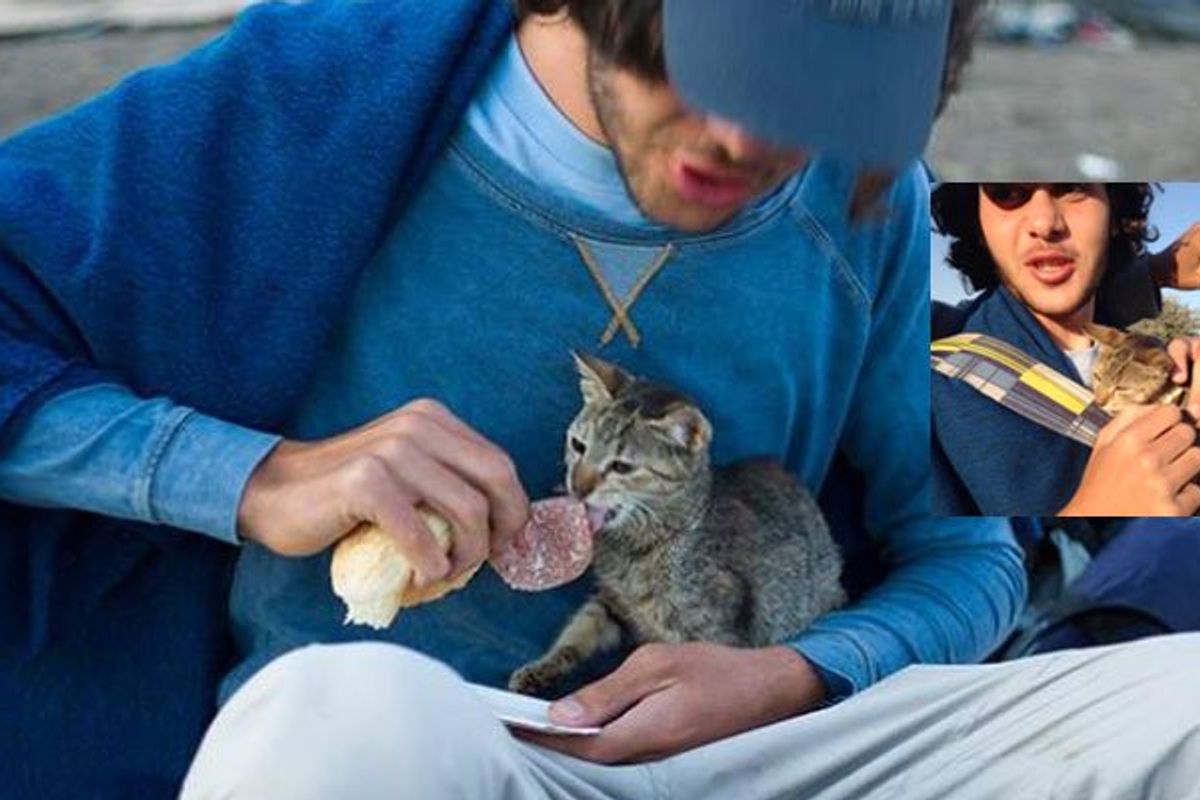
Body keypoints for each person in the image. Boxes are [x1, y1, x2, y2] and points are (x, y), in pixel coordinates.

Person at [0, 2, 1196, 798]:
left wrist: (808, 670)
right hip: (445, 749)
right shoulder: (311, 92)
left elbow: (971, 547)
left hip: (761, 743)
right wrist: (255, 476)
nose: (743, 134)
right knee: (332, 713)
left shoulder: (867, 199)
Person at [932, 182, 1200, 516]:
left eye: (1072, 187)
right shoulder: (932, 394)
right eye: (1007, 192)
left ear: (1114, 214)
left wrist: (1157, 272)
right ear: (979, 224)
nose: (1045, 224)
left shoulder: (1159, 357)